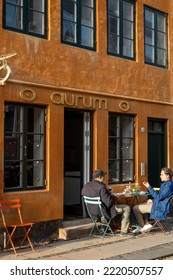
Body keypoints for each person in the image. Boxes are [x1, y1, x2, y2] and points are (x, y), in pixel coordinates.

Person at [81, 169, 132, 236]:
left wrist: (108, 194)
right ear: (100, 177)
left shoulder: (86, 185)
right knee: (126, 208)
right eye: (103, 176)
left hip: (91, 212)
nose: (104, 178)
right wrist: (114, 196)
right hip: (102, 212)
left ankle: (105, 228)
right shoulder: (101, 187)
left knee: (115, 208)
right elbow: (108, 203)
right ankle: (124, 231)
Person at [133, 167, 173, 233]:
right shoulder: (167, 184)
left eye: (162, 175)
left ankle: (142, 225)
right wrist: (153, 200)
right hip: (159, 205)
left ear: (168, 176)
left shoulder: (168, 186)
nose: (160, 176)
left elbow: (159, 197)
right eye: (161, 174)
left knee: (135, 208)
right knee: (143, 204)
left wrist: (149, 187)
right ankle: (146, 223)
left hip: (160, 208)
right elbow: (162, 197)